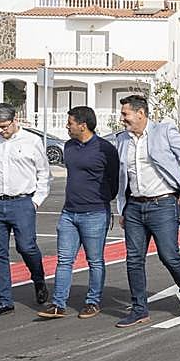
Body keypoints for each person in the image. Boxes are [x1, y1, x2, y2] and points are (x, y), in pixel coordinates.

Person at [114, 95, 180, 328]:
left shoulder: (164, 132)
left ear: (140, 113)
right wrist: (122, 207)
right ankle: (139, 309)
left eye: (125, 114)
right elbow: (121, 176)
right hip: (134, 206)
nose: (122, 118)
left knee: (168, 255)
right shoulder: (122, 139)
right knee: (134, 259)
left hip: (162, 204)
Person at [39, 106, 120, 319]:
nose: (67, 126)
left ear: (83, 125)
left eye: (70, 123)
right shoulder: (69, 146)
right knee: (64, 260)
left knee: (95, 261)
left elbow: (114, 181)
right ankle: (58, 304)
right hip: (69, 213)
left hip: (95, 213)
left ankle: (93, 302)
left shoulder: (105, 149)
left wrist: (101, 200)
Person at [0, 103, 51, 318]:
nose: (1, 130)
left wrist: (35, 201)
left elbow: (44, 173)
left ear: (15, 120)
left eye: (5, 126)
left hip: (22, 203)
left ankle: (38, 278)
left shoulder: (32, 141)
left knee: (26, 247)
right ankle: (5, 301)